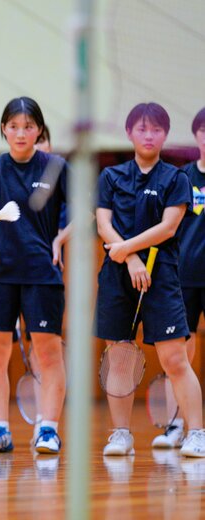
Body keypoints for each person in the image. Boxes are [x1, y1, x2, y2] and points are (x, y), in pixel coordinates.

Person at [97, 102, 205, 458]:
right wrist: (130, 259)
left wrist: (127, 248)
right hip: (118, 276)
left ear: (165, 135)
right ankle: (121, 435)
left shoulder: (176, 179)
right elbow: (103, 224)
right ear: (129, 132)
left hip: (163, 278)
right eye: (142, 129)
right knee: (120, 357)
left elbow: (169, 227)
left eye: (156, 129)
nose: (149, 135)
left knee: (174, 359)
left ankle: (197, 433)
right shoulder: (110, 176)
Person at [0, 96, 68, 454]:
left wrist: (59, 239)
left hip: (42, 276)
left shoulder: (56, 168)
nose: (21, 133)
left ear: (39, 130)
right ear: (4, 129)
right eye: (14, 126)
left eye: (28, 126)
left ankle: (48, 430)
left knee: (49, 355)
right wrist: (2, 250)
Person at [151, 106, 205, 449]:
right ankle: (176, 424)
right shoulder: (182, 178)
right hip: (183, 277)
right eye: (204, 131)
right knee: (179, 355)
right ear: (196, 135)